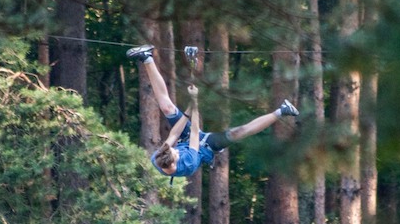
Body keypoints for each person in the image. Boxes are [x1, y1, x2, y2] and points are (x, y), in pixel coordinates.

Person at [127, 44, 299, 178]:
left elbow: (174, 134)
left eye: (173, 149)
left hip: (186, 138)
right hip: (204, 147)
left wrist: (187, 111)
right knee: (237, 133)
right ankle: (282, 111)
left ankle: (146, 57)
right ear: (174, 162)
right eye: (175, 152)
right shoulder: (188, 163)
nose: (175, 149)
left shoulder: (159, 157)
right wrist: (194, 102)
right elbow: (195, 133)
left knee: (167, 108)